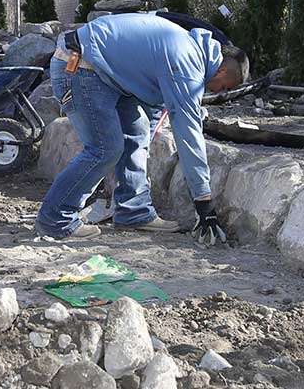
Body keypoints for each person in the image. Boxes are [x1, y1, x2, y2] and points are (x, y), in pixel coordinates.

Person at [36, 13, 248, 243]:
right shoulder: (187, 65)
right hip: (80, 66)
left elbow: (154, 109)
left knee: (136, 134)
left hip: (107, 74)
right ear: (222, 71)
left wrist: (145, 139)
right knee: (105, 148)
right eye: (225, 87)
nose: (221, 93)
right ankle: (55, 219)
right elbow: (189, 134)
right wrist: (203, 202)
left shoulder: (186, 49)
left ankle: (133, 211)